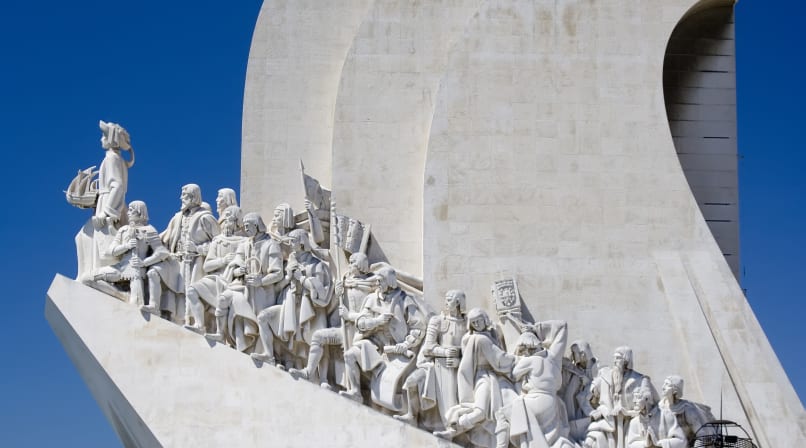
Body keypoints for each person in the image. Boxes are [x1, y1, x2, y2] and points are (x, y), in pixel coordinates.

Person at [339, 267, 426, 404]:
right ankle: (356, 392)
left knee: (388, 392)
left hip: (395, 349)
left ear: (389, 281)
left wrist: (405, 344)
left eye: (380, 281)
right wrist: (377, 321)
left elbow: (418, 327)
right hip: (373, 344)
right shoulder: (371, 299)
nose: (377, 283)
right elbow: (361, 323)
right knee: (349, 355)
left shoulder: (404, 300)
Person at [289, 252, 376, 389]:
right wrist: (336, 293)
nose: (349, 265)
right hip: (344, 329)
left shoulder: (370, 288)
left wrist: (349, 316)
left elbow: (369, 316)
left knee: (351, 356)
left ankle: (356, 390)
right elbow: (332, 307)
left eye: (353, 263)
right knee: (318, 336)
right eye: (350, 262)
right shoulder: (346, 282)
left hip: (359, 332)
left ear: (360, 265)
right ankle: (308, 372)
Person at [437, 308, 518, 448]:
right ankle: (453, 430)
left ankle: (453, 431)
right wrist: (518, 359)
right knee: (481, 411)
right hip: (483, 377)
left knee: (498, 414)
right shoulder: (480, 339)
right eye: (473, 322)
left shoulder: (489, 334)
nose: (477, 324)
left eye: (479, 321)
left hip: (494, 378)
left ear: (485, 319)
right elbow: (499, 359)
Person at [252, 229, 332, 367]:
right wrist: (288, 278)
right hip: (289, 304)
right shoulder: (290, 262)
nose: (290, 244)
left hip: (309, 308)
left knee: (312, 342)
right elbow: (278, 288)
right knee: (263, 317)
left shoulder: (317, 265)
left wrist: (301, 278)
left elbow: (322, 292)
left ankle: (316, 374)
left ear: (302, 243)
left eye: (293, 241)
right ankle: (269, 356)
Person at [394, 289, 468, 431]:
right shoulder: (438, 321)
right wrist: (445, 352)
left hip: (459, 367)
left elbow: (471, 349)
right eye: (446, 299)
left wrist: (459, 358)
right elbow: (428, 347)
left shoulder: (467, 323)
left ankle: (453, 424)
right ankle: (411, 415)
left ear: (458, 302)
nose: (446, 302)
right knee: (411, 381)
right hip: (433, 366)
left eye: (449, 299)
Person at [499, 321, 576, 448]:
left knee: (504, 413)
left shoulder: (528, 360)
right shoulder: (553, 358)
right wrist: (536, 328)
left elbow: (514, 374)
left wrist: (520, 358)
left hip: (536, 401)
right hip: (553, 404)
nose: (525, 353)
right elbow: (562, 326)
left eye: (524, 350)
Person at [150, 184, 220, 321]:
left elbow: (219, 243)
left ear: (193, 197)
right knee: (170, 285)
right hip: (177, 260)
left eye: (184, 195)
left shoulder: (205, 217)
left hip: (195, 262)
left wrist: (198, 248)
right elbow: (164, 237)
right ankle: (172, 317)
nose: (181, 198)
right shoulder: (178, 217)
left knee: (189, 292)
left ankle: (191, 321)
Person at [75, 120, 133, 281]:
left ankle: (99, 276)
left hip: (110, 205)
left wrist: (107, 212)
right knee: (84, 236)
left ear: (112, 138)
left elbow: (118, 186)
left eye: (104, 135)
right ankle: (88, 274)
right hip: (108, 201)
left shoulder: (112, 158)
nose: (101, 139)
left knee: (90, 238)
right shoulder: (116, 158)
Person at [94, 201, 180, 308]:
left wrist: (143, 263)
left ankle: (131, 298)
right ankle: (122, 295)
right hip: (119, 268)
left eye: (131, 210)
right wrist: (127, 246)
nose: (128, 213)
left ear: (139, 212)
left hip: (136, 272)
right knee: (87, 279)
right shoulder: (123, 230)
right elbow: (111, 251)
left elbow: (162, 252)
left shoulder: (148, 230)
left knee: (136, 305)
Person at [221, 212, 284, 352]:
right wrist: (238, 271)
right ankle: (243, 350)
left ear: (256, 225)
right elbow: (235, 266)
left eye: (248, 225)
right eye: (244, 226)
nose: (245, 229)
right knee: (240, 317)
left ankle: (264, 353)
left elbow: (278, 273)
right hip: (246, 290)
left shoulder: (271, 244)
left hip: (264, 292)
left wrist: (261, 281)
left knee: (262, 322)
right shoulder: (244, 244)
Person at [184, 205, 246, 340]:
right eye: (225, 219)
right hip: (215, 278)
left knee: (222, 301)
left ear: (237, 222)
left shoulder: (244, 242)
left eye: (230, 219)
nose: (226, 222)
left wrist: (236, 268)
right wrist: (223, 260)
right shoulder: (217, 240)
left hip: (233, 281)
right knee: (191, 291)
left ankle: (220, 333)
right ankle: (199, 325)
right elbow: (207, 266)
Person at [585, 346, 658, 448]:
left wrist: (628, 412)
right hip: (609, 421)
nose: (615, 361)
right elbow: (592, 392)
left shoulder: (640, 380)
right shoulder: (606, 375)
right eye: (614, 358)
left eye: (618, 358)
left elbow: (649, 403)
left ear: (626, 360)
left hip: (630, 423)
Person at [626, 380, 687, 448]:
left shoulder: (666, 416)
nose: (634, 401)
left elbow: (681, 441)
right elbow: (630, 444)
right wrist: (645, 444)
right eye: (633, 398)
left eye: (637, 397)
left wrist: (660, 443)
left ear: (647, 399)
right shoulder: (634, 422)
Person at [656, 375, 715, 445]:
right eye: (664, 384)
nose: (663, 387)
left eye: (667, 385)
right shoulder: (660, 407)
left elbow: (702, 435)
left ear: (675, 391)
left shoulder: (687, 410)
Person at [562, 340, 598, 440]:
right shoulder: (576, 370)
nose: (572, 355)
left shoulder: (597, 368)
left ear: (582, 354)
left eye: (574, 353)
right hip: (577, 412)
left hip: (592, 407)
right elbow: (569, 396)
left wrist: (588, 383)